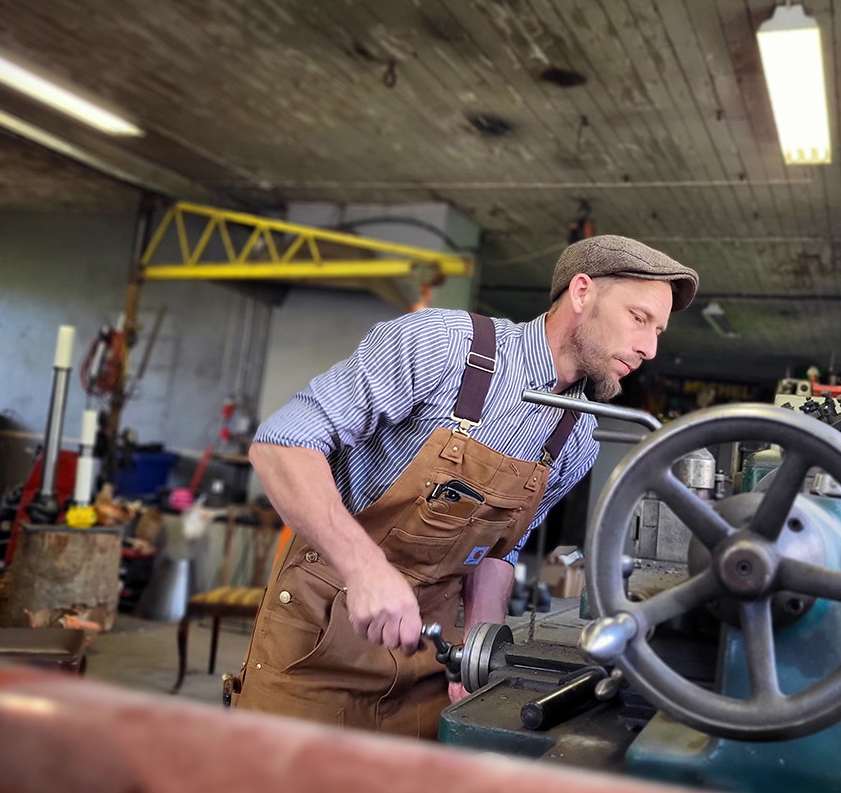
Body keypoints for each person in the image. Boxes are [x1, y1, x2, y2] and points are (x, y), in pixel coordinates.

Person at [234, 235, 699, 736]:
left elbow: (499, 550)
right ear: (582, 293)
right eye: (639, 318)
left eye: (659, 331)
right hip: (318, 640)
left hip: (426, 663)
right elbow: (282, 445)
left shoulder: (577, 438)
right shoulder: (441, 346)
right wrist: (365, 566)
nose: (649, 348)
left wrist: (481, 646)